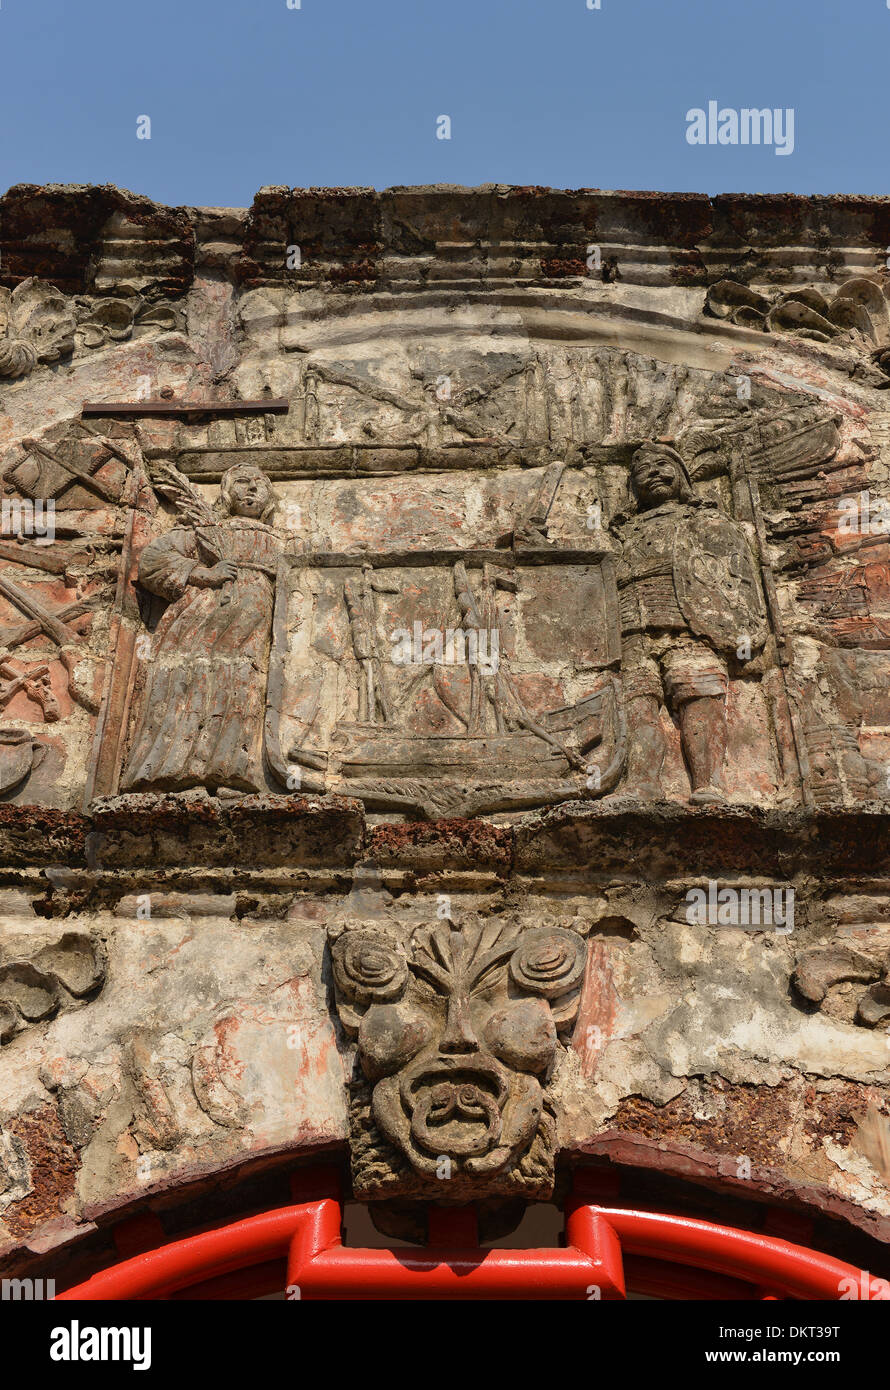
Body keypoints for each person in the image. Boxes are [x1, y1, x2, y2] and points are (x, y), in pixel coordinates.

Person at [615, 441, 767, 804]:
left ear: (682, 476)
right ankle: (643, 783)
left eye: (663, 465)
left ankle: (707, 784)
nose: (653, 472)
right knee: (636, 706)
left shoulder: (705, 521)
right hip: (632, 631)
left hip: (690, 626)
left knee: (698, 698)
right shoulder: (621, 533)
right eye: (643, 470)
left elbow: (733, 574)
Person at [122, 465, 283, 795]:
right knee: (189, 685)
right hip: (200, 626)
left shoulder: (281, 540)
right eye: (241, 482)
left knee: (242, 692)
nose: (251, 489)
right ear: (225, 492)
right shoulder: (209, 531)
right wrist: (202, 573)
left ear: (270, 495)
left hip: (252, 633)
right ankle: (167, 772)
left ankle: (231, 772)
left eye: (259, 483)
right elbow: (152, 560)